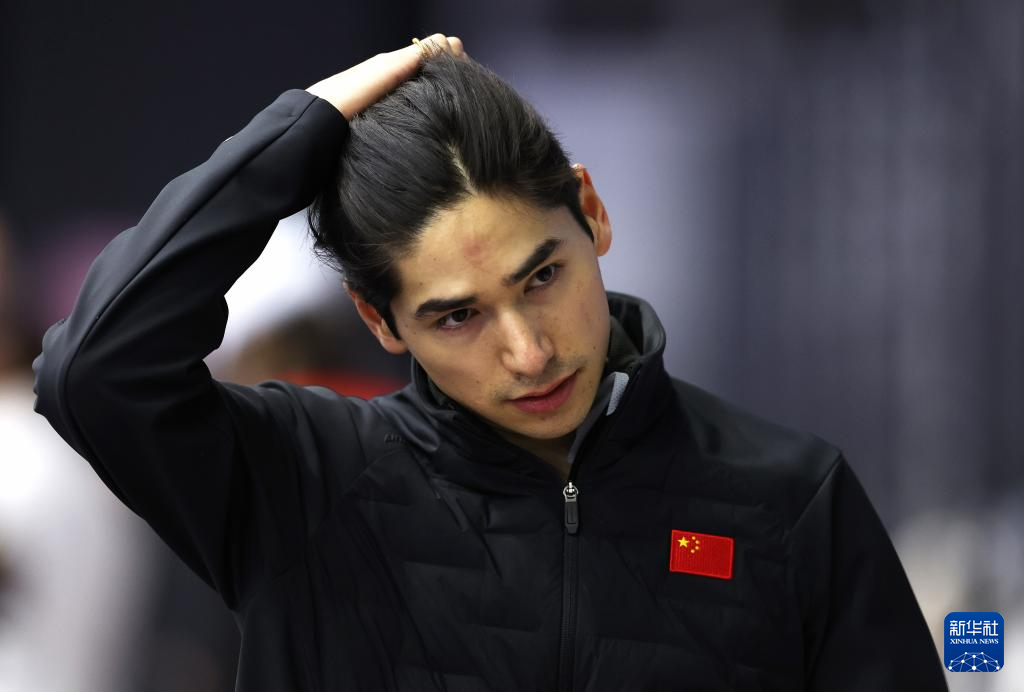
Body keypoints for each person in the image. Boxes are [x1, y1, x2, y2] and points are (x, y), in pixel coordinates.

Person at [33, 34, 948, 690]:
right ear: (379, 320)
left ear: (591, 211)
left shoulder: (788, 497)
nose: (529, 351)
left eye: (542, 277)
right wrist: (302, 127)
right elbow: (94, 369)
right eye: (459, 316)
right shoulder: (307, 482)